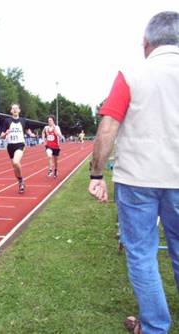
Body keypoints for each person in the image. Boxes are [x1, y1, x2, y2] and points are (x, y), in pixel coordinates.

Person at [88, 11, 179, 334]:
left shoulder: (130, 75)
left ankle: (155, 326)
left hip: (137, 179)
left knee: (142, 255)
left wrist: (97, 175)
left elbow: (108, 127)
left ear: (146, 43)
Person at [0, 103, 35, 193]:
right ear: (11, 111)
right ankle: (20, 181)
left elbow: (27, 129)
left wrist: (30, 134)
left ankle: (21, 181)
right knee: (15, 167)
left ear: (19, 110)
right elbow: (2, 136)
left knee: (16, 162)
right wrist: (6, 133)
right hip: (10, 146)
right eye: (13, 108)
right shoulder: (7, 121)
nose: (15, 110)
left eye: (16, 108)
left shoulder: (23, 120)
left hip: (20, 144)